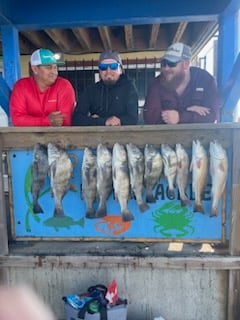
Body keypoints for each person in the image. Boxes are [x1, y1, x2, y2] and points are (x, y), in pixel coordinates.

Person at [143, 42, 220, 124]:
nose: (166, 68)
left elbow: (212, 115)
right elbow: (150, 118)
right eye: (163, 64)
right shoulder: (156, 84)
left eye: (171, 64)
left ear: (186, 64)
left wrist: (179, 117)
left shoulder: (205, 80)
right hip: (165, 136)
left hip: (198, 136)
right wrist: (186, 110)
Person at [10, 48, 76, 126]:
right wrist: (47, 121)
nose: (54, 72)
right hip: (28, 137)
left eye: (55, 67)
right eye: (48, 67)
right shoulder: (21, 86)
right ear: (35, 69)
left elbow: (65, 121)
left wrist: (31, 121)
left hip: (59, 137)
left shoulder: (64, 85)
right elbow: (17, 120)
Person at [72, 51, 138, 126]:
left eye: (113, 66)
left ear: (121, 69)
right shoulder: (91, 90)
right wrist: (103, 121)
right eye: (103, 67)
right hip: (97, 137)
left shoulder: (129, 88)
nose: (108, 71)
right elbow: (76, 119)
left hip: (123, 136)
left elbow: (133, 119)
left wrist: (118, 120)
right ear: (99, 71)